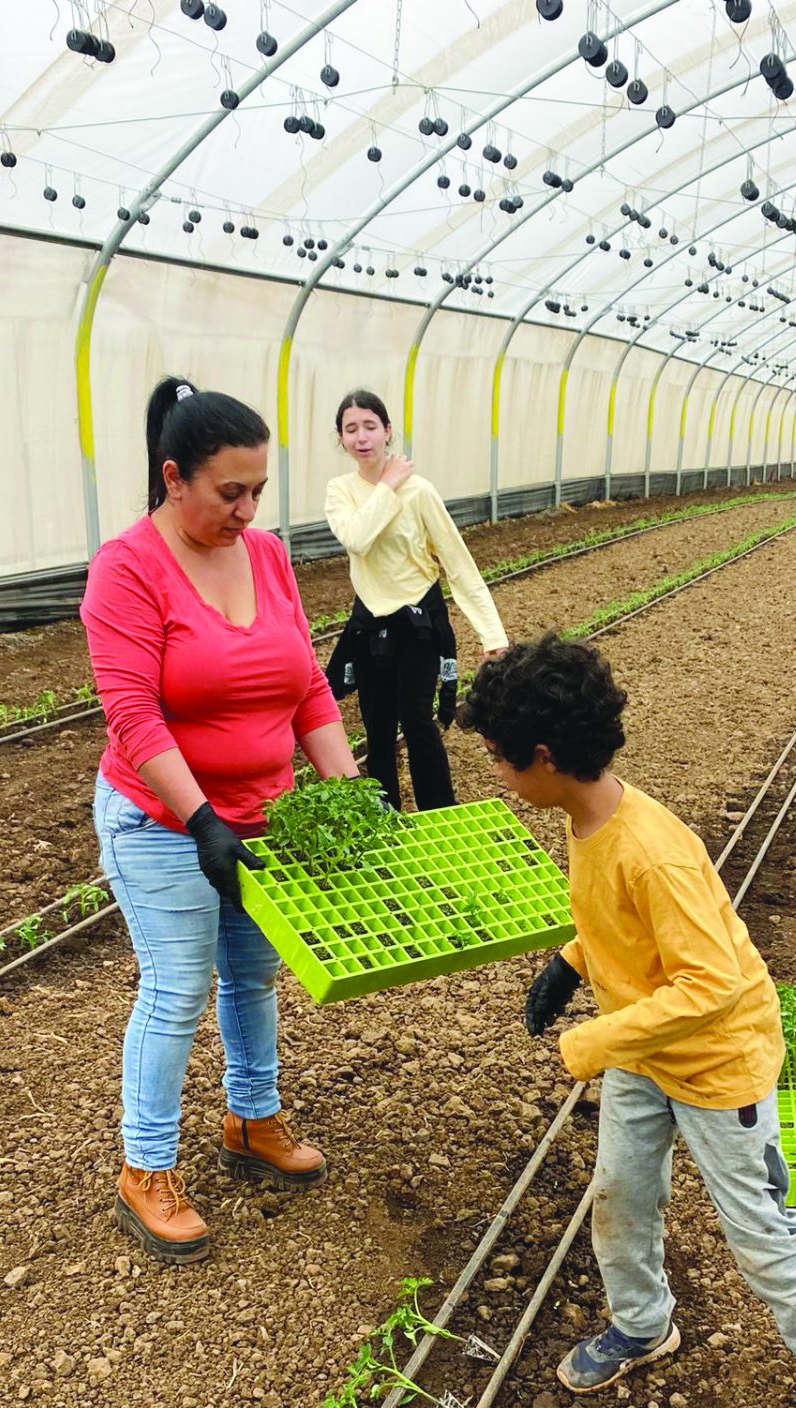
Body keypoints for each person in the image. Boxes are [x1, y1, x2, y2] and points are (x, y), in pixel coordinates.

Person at [460, 635, 796, 1408]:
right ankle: (642, 1322)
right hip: (646, 1046)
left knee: (762, 1231)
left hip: (713, 1064)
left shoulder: (650, 848)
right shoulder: (589, 818)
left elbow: (710, 984)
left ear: (544, 758)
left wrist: (590, 1040)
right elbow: (622, 932)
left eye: (498, 759)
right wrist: (573, 961)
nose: (498, 775)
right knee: (622, 1192)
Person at [82, 376, 360, 1264]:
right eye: (228, 492)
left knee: (251, 976)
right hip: (164, 825)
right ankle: (146, 1169)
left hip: (265, 817)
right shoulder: (127, 568)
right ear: (174, 479)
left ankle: (252, 1118)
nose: (247, 510)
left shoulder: (268, 556)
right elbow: (132, 712)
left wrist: (344, 789)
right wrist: (200, 818)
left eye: (258, 492)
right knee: (178, 988)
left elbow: (308, 686)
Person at [325, 389, 508, 812]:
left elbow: (459, 565)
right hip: (369, 625)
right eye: (351, 429)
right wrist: (387, 484)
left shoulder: (421, 492)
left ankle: (438, 813)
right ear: (341, 438)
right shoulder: (341, 492)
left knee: (417, 721)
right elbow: (356, 537)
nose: (362, 437)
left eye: (370, 426)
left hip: (417, 623)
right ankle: (385, 816)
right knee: (377, 727)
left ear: (387, 431)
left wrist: (491, 633)